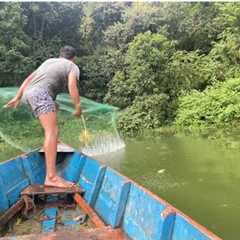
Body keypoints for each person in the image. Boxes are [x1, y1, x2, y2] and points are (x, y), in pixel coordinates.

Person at [4, 46, 81, 188]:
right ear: (73, 58)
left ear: (60, 55)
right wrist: (77, 107)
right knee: (51, 131)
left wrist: (18, 97)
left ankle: (54, 141)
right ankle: (51, 177)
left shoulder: (49, 61)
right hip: (40, 94)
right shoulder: (72, 66)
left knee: (54, 108)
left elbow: (28, 79)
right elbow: (72, 85)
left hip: (29, 93)